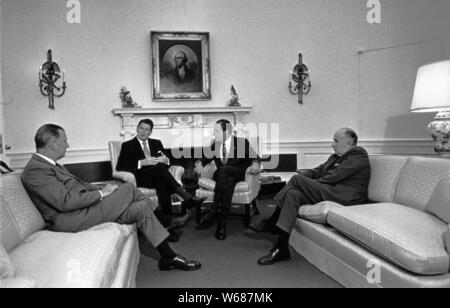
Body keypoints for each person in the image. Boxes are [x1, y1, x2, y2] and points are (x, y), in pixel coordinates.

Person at [21, 124, 201, 272]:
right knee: (129, 188)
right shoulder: (36, 169)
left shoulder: (52, 165)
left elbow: (81, 187)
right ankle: (166, 220)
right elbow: (65, 202)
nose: (67, 145)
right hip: (70, 218)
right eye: (65, 141)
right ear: (53, 144)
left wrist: (102, 188)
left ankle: (168, 257)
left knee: (139, 208)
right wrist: (101, 194)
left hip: (82, 209)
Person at [256, 128, 371, 265]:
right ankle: (281, 247)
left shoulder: (358, 155)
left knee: (297, 180)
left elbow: (334, 176)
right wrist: (306, 178)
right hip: (330, 191)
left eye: (336, 141)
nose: (332, 144)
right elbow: (317, 171)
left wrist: (305, 183)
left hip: (345, 197)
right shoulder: (335, 157)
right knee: (293, 194)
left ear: (348, 142)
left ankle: (272, 221)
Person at [116, 119, 206, 229]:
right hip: (141, 178)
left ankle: (167, 223)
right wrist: (141, 162)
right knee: (159, 170)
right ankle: (184, 195)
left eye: (147, 130)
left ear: (150, 132)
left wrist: (165, 160)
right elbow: (120, 166)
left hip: (158, 176)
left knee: (162, 182)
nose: (143, 132)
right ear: (137, 129)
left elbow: (170, 160)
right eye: (141, 128)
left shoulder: (156, 143)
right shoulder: (127, 145)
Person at [194, 119, 261, 241]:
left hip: (238, 173)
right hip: (222, 176)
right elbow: (204, 158)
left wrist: (256, 163)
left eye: (217, 131)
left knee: (225, 171)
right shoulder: (216, 144)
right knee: (227, 178)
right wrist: (199, 163)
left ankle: (214, 210)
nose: (214, 134)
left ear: (227, 132)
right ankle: (221, 225)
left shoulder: (241, 142)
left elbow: (255, 157)